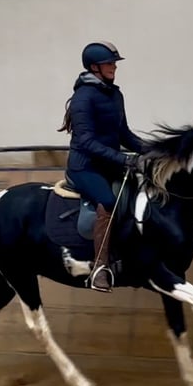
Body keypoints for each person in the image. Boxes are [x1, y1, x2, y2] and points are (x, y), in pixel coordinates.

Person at [57, 41, 148, 292]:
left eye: (114, 64)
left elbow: (124, 135)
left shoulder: (115, 94)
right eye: (109, 64)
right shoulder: (82, 98)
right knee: (108, 202)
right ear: (95, 67)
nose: (114, 68)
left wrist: (151, 151)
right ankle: (99, 268)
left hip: (109, 164)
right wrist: (125, 159)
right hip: (85, 167)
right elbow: (85, 142)